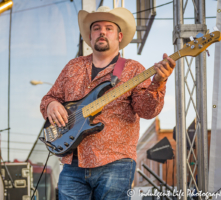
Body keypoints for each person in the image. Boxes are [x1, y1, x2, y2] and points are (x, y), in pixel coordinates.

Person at [40, 6, 176, 200]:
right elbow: (48, 98)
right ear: (90, 36)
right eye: (96, 28)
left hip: (115, 162)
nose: (102, 31)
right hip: (73, 164)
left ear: (119, 37)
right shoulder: (73, 66)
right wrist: (51, 105)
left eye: (108, 28)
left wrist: (159, 82)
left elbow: (147, 111)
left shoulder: (132, 69)